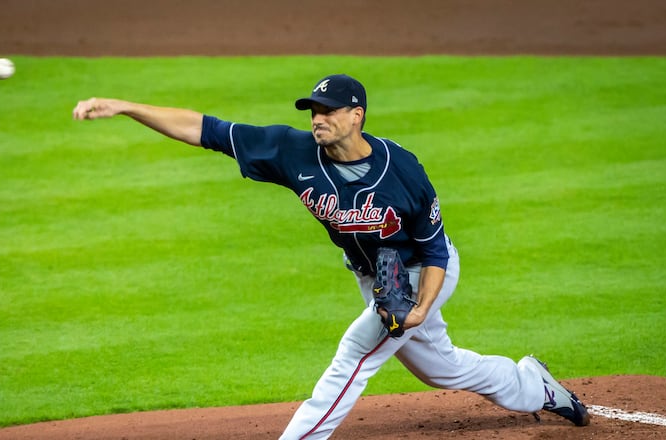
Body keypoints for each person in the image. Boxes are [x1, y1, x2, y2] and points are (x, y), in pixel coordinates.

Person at [72, 74, 590, 438]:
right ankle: (533, 386)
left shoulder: (402, 169)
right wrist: (125, 107)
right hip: (376, 278)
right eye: (312, 110)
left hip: (423, 272)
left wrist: (417, 309)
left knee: (354, 357)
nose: (316, 118)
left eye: (327, 111)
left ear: (356, 116)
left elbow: (433, 249)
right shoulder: (291, 151)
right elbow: (206, 129)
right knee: (442, 369)